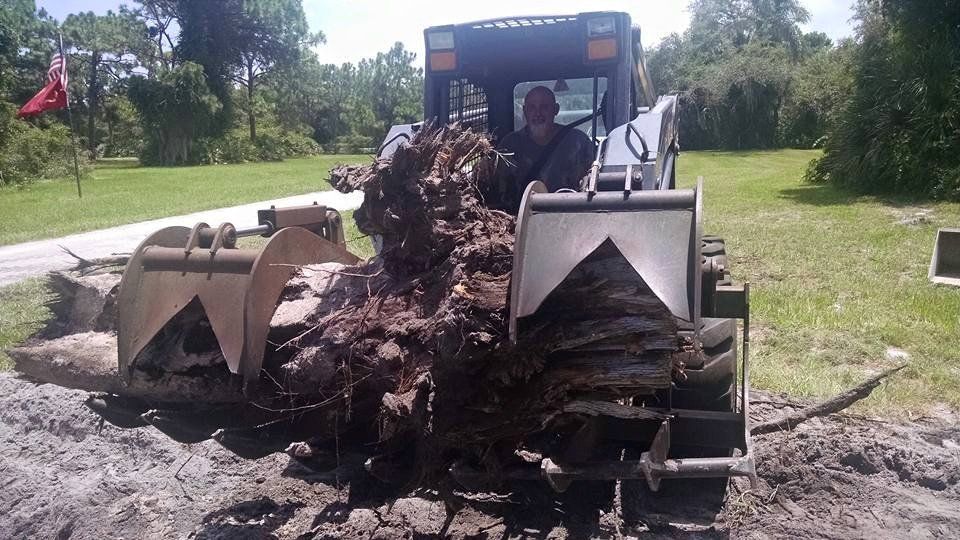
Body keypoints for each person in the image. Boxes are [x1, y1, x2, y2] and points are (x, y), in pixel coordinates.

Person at [496, 85, 595, 207]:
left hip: (569, 214)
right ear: (525, 111)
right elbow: (498, 188)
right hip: (520, 219)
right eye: (532, 107)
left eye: (544, 107)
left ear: (556, 109)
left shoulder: (578, 142)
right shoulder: (509, 145)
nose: (537, 113)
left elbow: (591, 183)